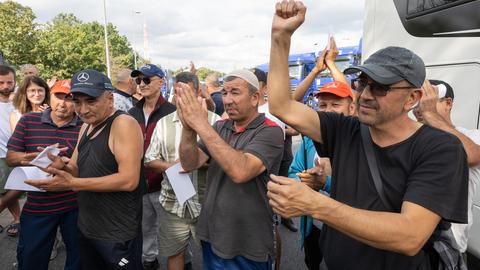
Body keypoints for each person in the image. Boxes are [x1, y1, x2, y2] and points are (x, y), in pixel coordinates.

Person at [266, 2, 468, 269]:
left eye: (381, 88)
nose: (365, 95)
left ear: (413, 98)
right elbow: (282, 106)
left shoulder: (440, 148)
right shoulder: (345, 129)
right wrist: (280, 37)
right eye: (363, 83)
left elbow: (410, 235)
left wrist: (316, 205)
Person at [26, 69, 146, 270]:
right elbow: (75, 167)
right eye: (78, 102)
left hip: (117, 232)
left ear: (110, 98)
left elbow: (129, 180)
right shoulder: (86, 126)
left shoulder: (123, 124)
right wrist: (60, 164)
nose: (83, 109)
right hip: (88, 226)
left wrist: (72, 183)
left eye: (91, 101)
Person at [177, 69, 284, 269]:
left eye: (235, 92)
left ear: (255, 98)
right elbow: (189, 163)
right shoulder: (220, 127)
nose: (227, 100)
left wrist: (200, 124)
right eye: (225, 93)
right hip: (213, 234)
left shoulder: (271, 131)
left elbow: (241, 171)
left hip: (248, 241)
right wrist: (188, 128)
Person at [144, 71, 221, 270]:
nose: (181, 98)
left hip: (208, 204)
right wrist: (176, 166)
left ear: (199, 93)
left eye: (187, 93)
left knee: (214, 257)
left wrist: (196, 162)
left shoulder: (216, 122)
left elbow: (226, 162)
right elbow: (150, 160)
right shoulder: (163, 123)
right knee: (174, 254)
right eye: (177, 93)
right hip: (173, 204)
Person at [7, 79, 81, 270]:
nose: (63, 103)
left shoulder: (85, 126)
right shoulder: (28, 121)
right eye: (58, 96)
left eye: (70, 98)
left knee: (79, 257)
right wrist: (30, 157)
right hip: (38, 205)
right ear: (50, 96)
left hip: (76, 205)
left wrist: (67, 166)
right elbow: (11, 157)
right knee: (31, 258)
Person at [289, 80, 354, 270]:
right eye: (322, 105)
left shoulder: (360, 144)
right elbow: (293, 173)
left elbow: (361, 190)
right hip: (314, 226)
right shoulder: (309, 141)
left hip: (348, 230)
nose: (327, 111)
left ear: (351, 109)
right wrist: (306, 181)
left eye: (335, 105)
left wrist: (324, 182)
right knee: (313, 263)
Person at [413, 80, 480, 262]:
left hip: (449, 248)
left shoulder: (472, 136)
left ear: (448, 103)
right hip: (412, 243)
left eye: (429, 99)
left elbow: (472, 156)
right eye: (417, 100)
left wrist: (430, 114)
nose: (420, 107)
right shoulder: (411, 137)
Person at [128, 64, 176, 270]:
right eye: (138, 80)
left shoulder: (172, 111)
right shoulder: (131, 112)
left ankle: (185, 260)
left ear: (160, 81)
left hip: (168, 182)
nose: (142, 84)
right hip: (140, 183)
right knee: (146, 227)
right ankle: (149, 259)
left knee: (175, 229)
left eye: (146, 79)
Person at [0, 65, 16, 235]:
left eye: (9, 82)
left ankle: (18, 219)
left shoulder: (19, 101)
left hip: (16, 153)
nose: (5, 86)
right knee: (5, 190)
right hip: (0, 155)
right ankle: (18, 219)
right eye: (1, 82)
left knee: (13, 189)